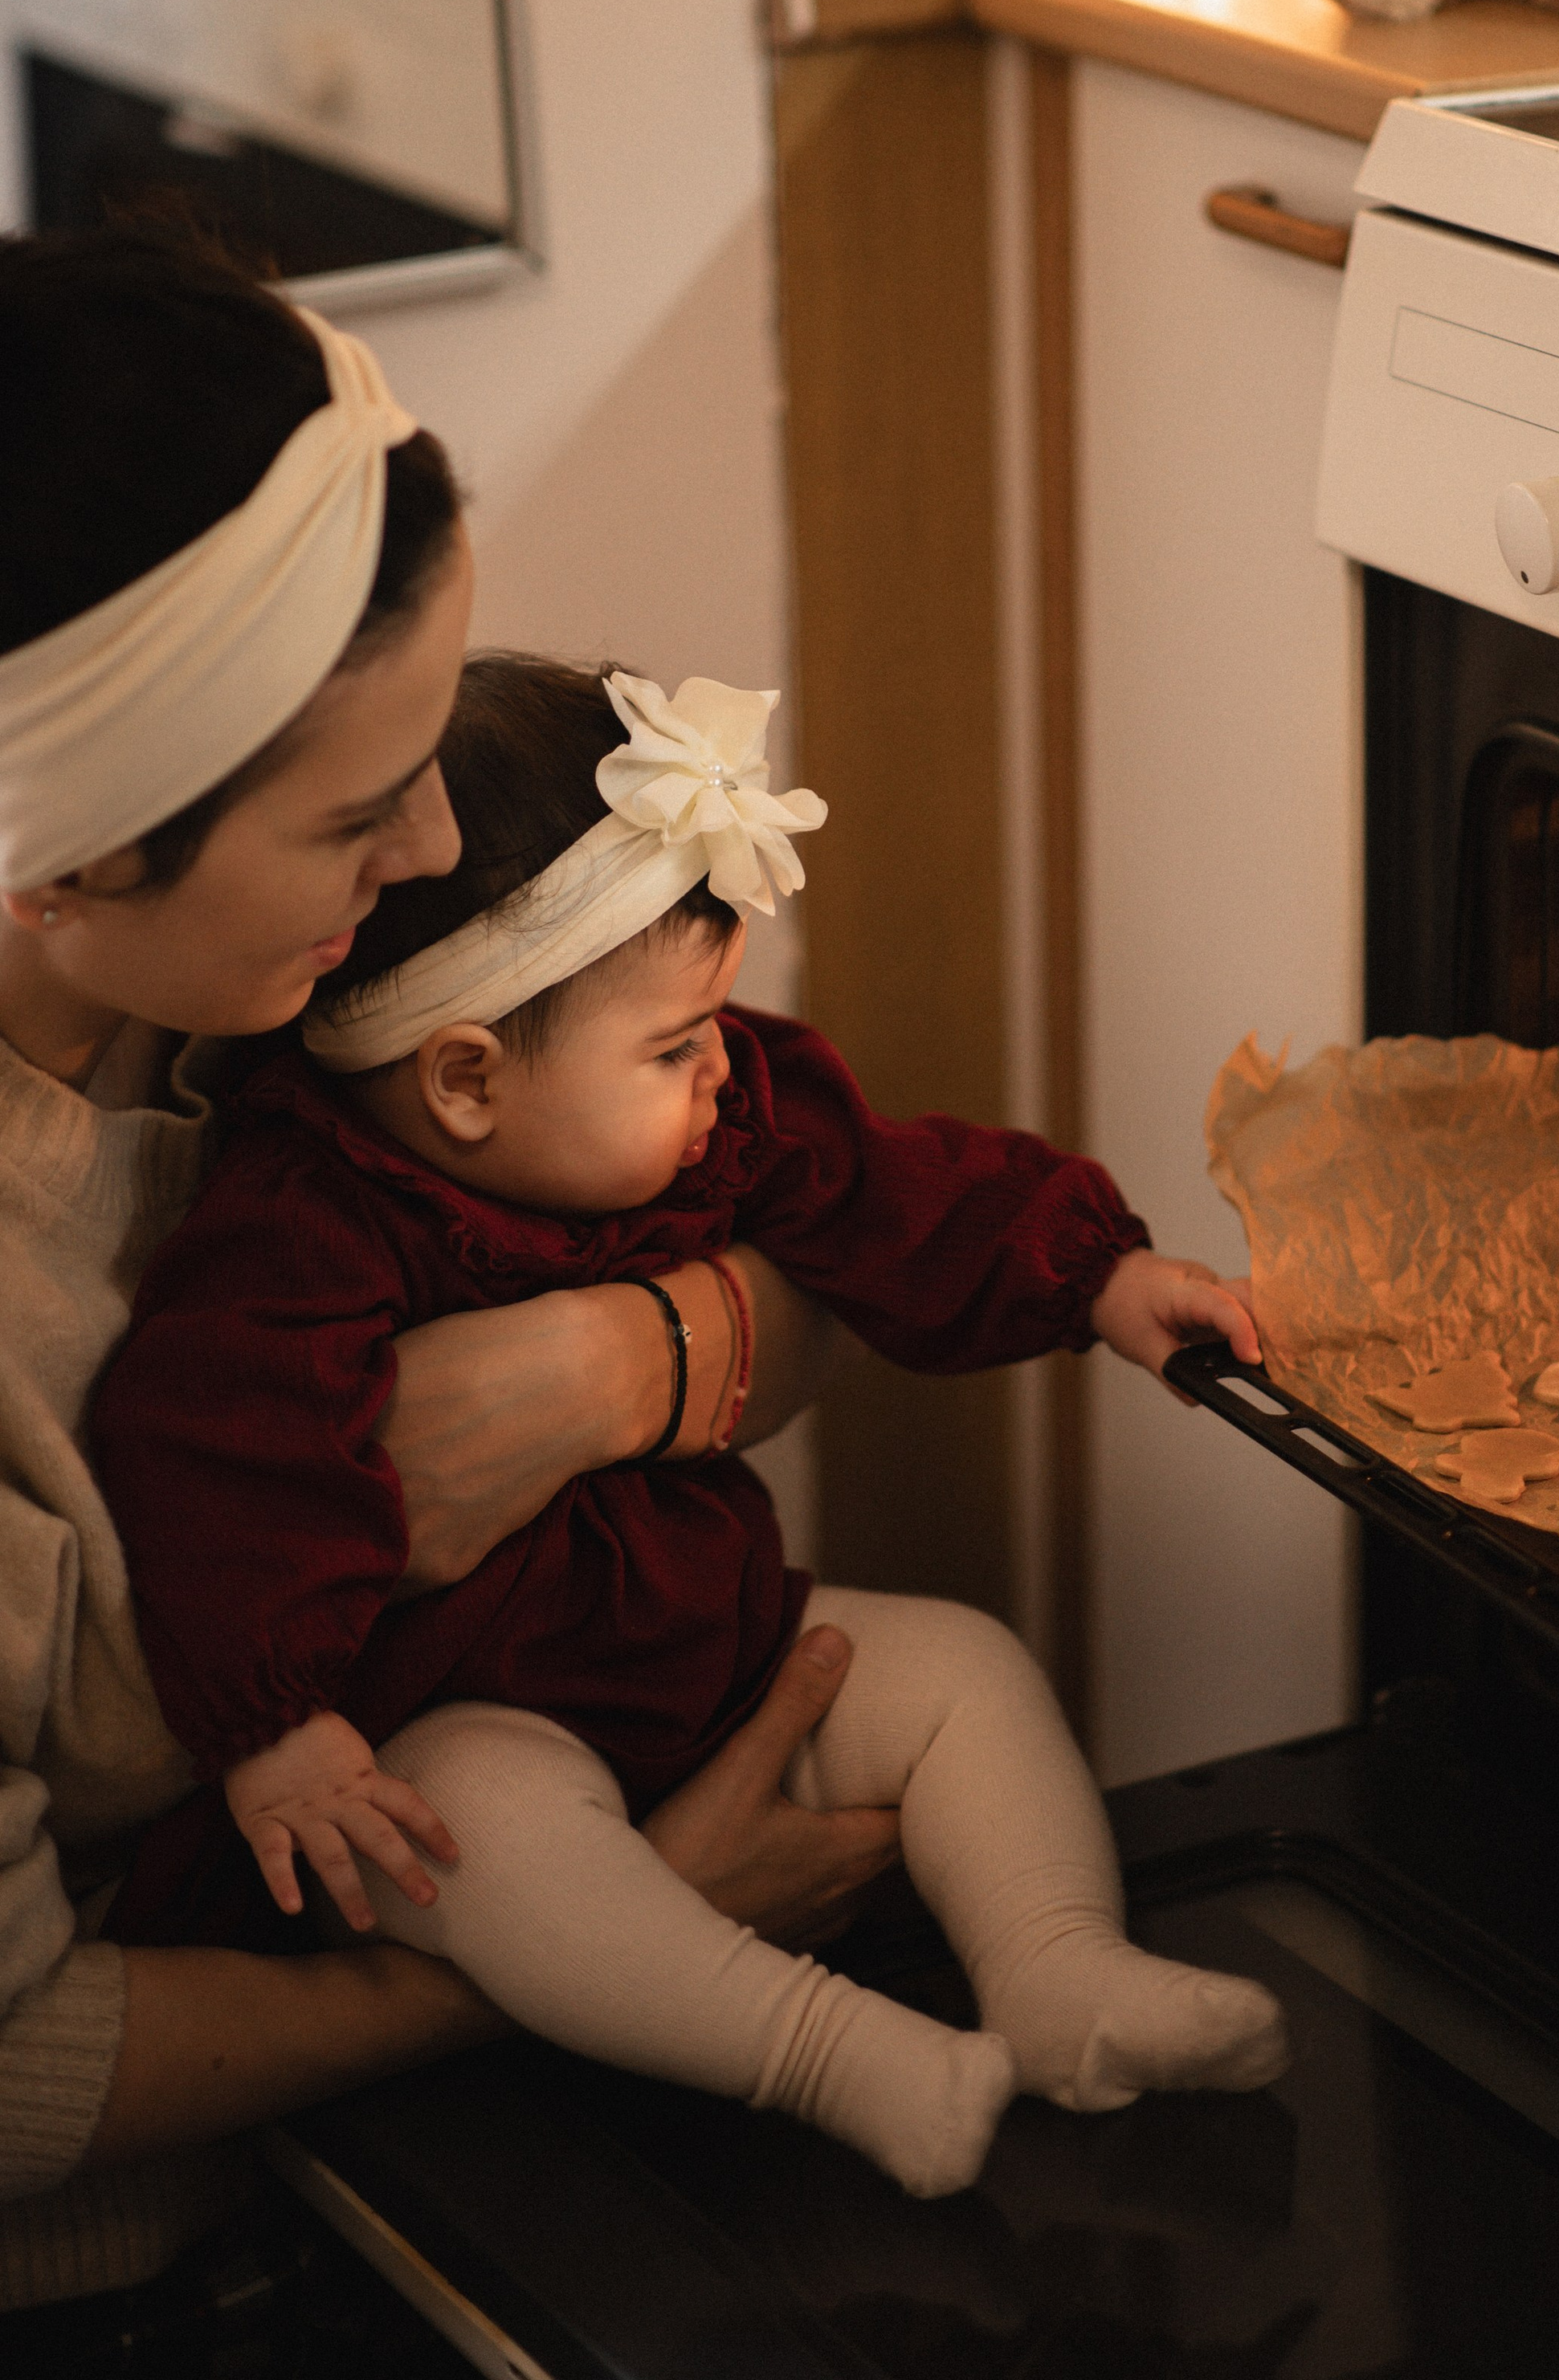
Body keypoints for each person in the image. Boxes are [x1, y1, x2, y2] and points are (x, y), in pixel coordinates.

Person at [0, 230, 901, 2335]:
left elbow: (813, 1228)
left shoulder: (253, 979)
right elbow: (13, 2066)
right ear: (56, 863)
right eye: (347, 820)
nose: (429, 855)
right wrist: (605, 1940)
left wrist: (628, 1356)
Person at [96, 653, 1288, 2199]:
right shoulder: (298, 1232)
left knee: (958, 1669)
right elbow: (215, 1467)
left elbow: (885, 1186)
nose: (725, 1065)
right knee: (484, 1835)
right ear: (464, 1081)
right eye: (674, 1046)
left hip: (703, 1645)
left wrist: (1094, 1275)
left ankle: (1064, 1974)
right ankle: (833, 2055)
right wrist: (278, 1729)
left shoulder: (709, 1103)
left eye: (715, 1020)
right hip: (466, 1712)